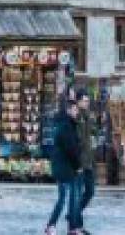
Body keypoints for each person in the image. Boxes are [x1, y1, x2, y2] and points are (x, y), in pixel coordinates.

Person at [46, 100, 82, 235]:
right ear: (69, 110)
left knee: (68, 198)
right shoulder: (66, 126)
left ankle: (65, 227)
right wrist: (78, 166)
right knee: (68, 198)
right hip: (66, 168)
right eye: (75, 109)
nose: (77, 112)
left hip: (63, 167)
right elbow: (70, 149)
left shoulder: (64, 124)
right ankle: (54, 226)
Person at [75, 93, 96, 233]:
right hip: (79, 162)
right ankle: (78, 224)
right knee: (77, 193)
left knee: (90, 191)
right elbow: (77, 141)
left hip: (89, 160)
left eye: (88, 101)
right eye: (85, 100)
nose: (87, 103)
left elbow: (90, 136)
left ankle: (74, 214)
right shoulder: (76, 117)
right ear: (78, 101)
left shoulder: (89, 116)